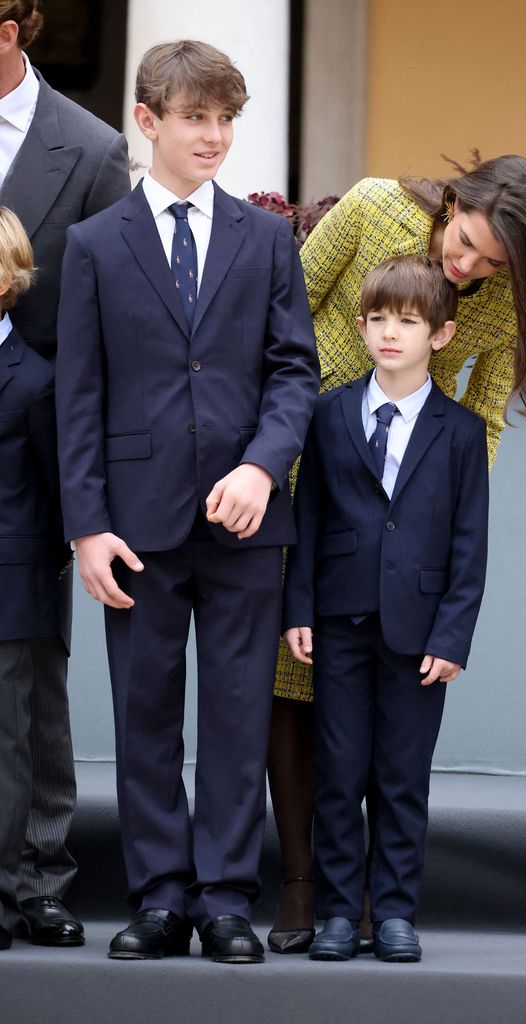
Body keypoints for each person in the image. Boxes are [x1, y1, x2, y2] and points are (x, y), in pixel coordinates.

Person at [268, 157, 526, 951]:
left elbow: (484, 415)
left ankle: (380, 901)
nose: (468, 265)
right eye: (468, 240)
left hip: (407, 504)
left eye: (491, 262)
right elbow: (283, 312)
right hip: (297, 463)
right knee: (293, 687)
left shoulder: (500, 301)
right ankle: (309, 886)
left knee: (395, 748)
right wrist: (267, 445)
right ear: (457, 200)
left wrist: (437, 512)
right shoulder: (373, 208)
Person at [55, 40, 319, 963]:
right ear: (148, 121)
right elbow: (78, 393)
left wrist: (261, 468)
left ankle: (224, 901)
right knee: (146, 714)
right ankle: (161, 897)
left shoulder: (268, 238)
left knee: (240, 713)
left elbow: (296, 372)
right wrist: (86, 525)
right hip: (134, 524)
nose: (214, 135)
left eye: (225, 118)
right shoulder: (95, 245)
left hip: (247, 522)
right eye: (196, 117)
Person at [283, 254, 488, 961]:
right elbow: (306, 518)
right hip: (340, 621)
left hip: (420, 629)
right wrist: (298, 609)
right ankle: (340, 913)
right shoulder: (328, 413)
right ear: (362, 327)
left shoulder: (460, 432)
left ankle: (394, 912)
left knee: (402, 776)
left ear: (442, 333)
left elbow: (469, 540)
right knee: (339, 773)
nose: (389, 333)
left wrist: (453, 635)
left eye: (407, 320)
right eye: (378, 319)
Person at [0, 0, 130, 947]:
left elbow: (105, 315)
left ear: (10, 29)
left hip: (32, 439)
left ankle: (38, 875)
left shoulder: (87, 148)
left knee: (32, 676)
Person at [0, 208, 70, 952]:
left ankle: (15, 892)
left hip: (13, 582)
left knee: (13, 745)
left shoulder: (37, 380)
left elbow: (56, 493)